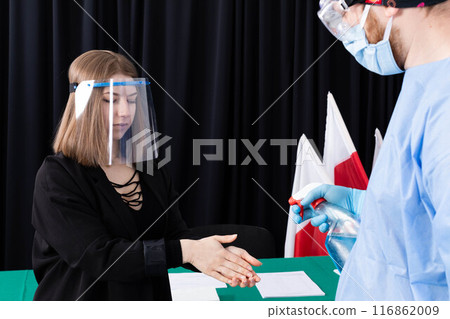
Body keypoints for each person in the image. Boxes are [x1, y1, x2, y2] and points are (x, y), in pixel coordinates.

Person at [31, 50, 261, 301]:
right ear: (84, 104)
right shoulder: (57, 176)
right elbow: (100, 257)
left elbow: (174, 236)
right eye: (111, 100)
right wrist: (189, 251)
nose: (124, 112)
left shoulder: (149, 166)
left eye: (131, 100)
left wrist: (216, 255)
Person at [293, 0, 450, 300]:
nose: (347, 26)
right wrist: (367, 209)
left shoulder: (443, 104)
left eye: (344, 8)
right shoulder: (425, 82)